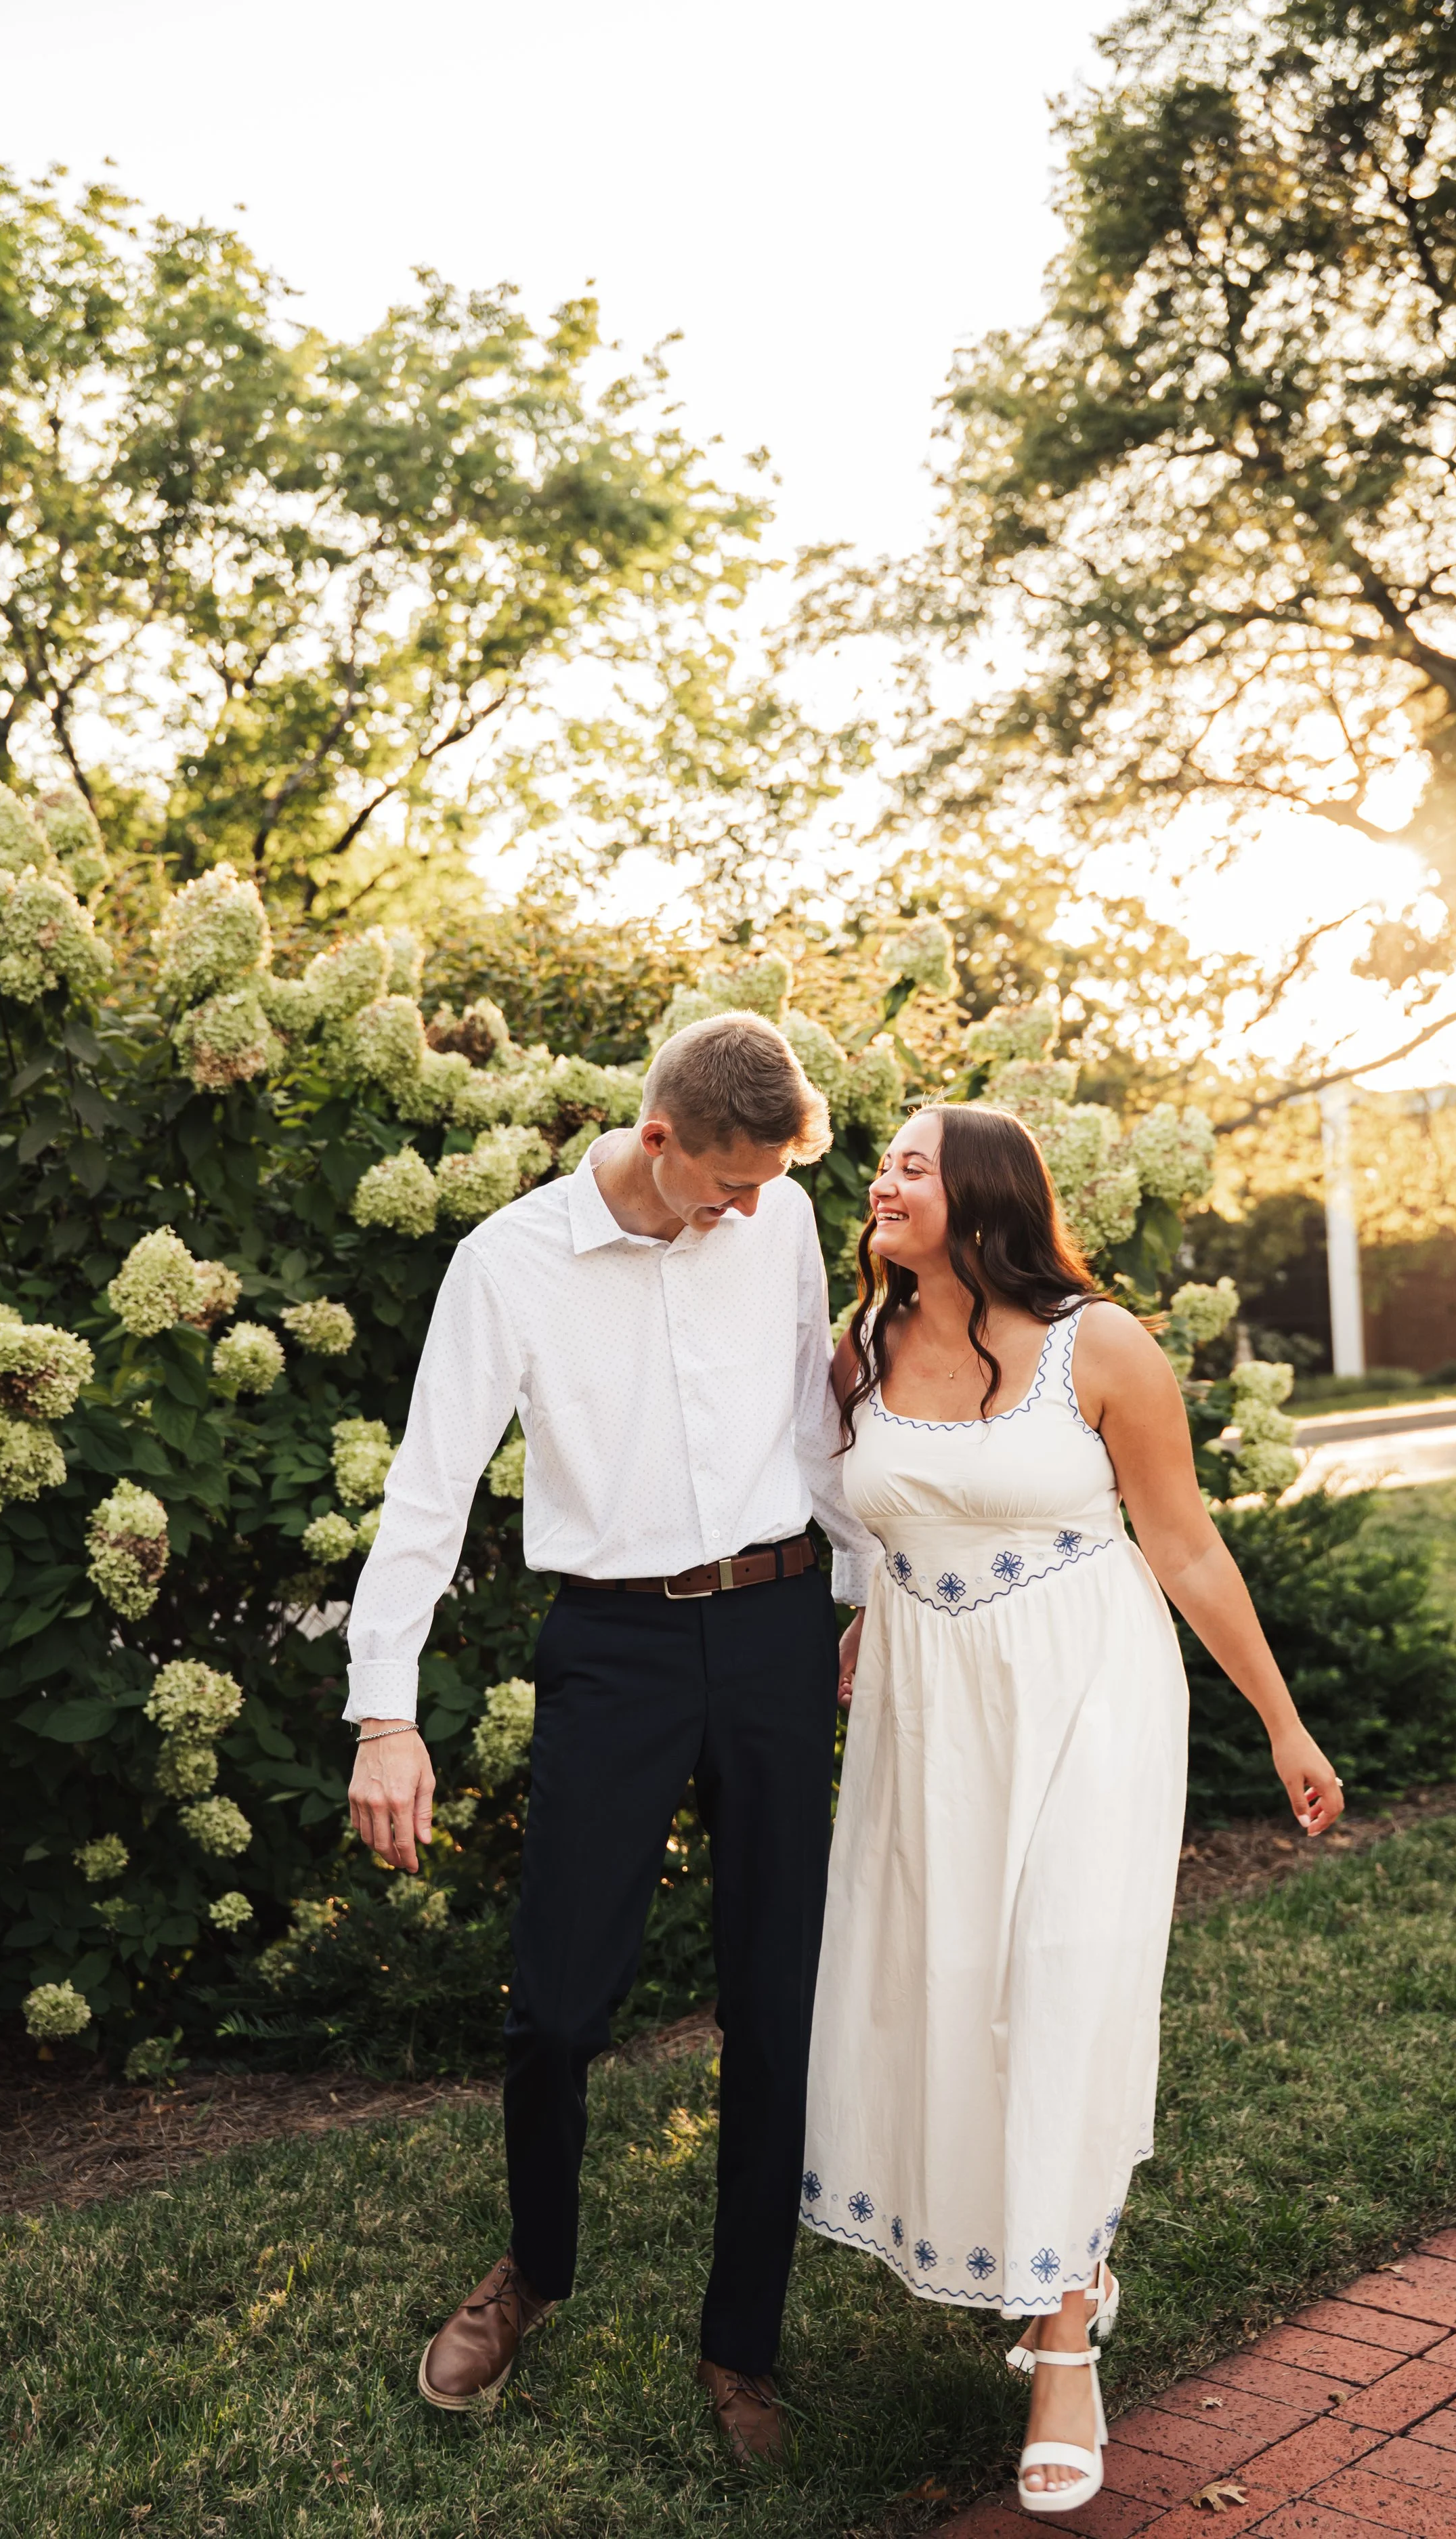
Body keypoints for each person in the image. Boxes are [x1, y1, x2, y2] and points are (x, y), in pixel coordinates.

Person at [343, 1012, 876, 2463]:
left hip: (769, 1628)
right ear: (656, 1137)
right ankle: (537, 2265)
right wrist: (383, 1711)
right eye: (727, 1181)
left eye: (771, 1183)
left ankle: (742, 2340)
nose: (751, 1208)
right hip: (616, 1645)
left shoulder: (779, 1215)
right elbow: (427, 1492)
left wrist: (866, 1589)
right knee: (559, 2006)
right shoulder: (507, 1261)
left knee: (776, 2001)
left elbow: (810, 1433)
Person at [800, 1104, 1344, 2517]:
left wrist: (1279, 1718)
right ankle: (1044, 2245)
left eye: (911, 1163)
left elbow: (1181, 1540)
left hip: (1088, 1690)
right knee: (955, 1991)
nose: (880, 1179)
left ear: (982, 1192)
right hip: (930, 1718)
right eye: (880, 1162)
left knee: (1058, 1984)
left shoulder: (1097, 1346)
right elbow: (857, 1522)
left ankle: (1059, 2337)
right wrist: (868, 1621)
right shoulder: (854, 1350)